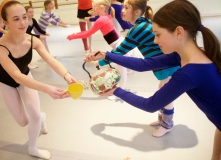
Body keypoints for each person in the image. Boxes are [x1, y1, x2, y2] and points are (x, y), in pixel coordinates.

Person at [85, 0, 221, 159]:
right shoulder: (185, 55)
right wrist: (106, 55)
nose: (155, 41)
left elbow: (150, 105)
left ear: (178, 32)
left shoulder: (188, 72)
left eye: (158, 35)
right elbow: (143, 65)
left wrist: (115, 90)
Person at [0, 1, 77, 159]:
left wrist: (66, 75)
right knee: (23, 121)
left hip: (26, 76)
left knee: (35, 116)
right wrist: (47, 88)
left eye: (24, 17)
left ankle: (32, 148)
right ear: (5, 22)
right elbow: (16, 76)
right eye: (16, 19)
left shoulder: (33, 40)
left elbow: (51, 60)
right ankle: (42, 117)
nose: (23, 22)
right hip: (6, 82)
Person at [91, 0, 179, 137]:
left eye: (126, 7)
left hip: (168, 66)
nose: (122, 10)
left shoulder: (138, 29)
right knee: (163, 91)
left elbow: (120, 51)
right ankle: (162, 120)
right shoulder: (142, 24)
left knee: (166, 97)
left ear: (137, 11)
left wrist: (99, 63)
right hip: (163, 66)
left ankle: (167, 125)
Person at [67, 0, 134, 101]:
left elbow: (87, 33)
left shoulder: (102, 20)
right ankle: (127, 71)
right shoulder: (106, 16)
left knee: (121, 70)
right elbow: (96, 17)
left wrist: (73, 36)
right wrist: (91, 16)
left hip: (119, 46)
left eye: (95, 6)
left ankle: (119, 93)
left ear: (102, 7)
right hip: (121, 43)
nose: (93, 8)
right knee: (120, 67)